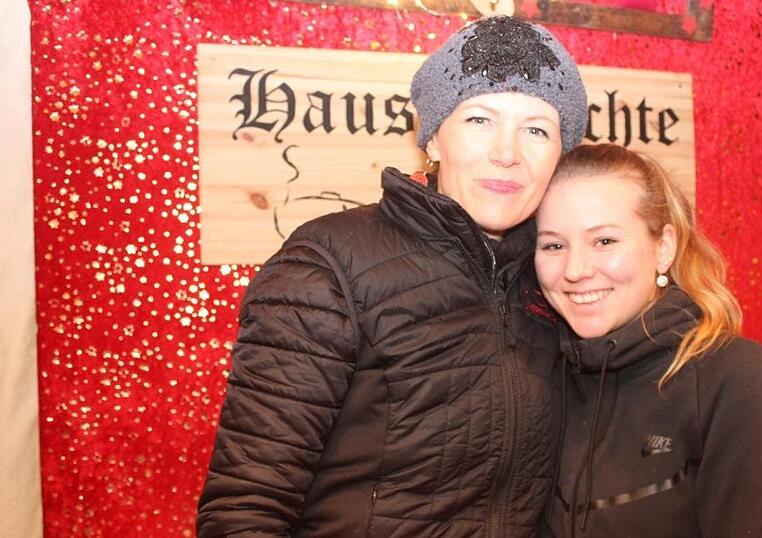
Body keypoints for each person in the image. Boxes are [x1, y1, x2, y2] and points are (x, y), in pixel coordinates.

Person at [196, 15, 588, 538]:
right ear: (432, 138)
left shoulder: (558, 276)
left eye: (536, 129)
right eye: (479, 119)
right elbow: (247, 506)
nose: (507, 152)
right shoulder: (330, 262)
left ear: (559, 157)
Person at [534, 144, 762, 537]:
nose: (575, 270)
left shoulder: (733, 378)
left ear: (663, 247)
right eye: (553, 245)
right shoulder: (541, 375)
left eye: (604, 241)